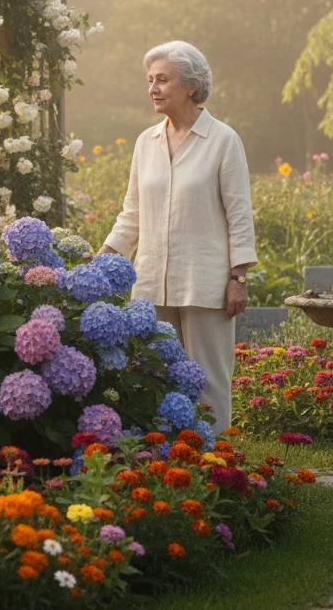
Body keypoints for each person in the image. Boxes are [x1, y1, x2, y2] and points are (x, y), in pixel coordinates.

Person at [99, 40, 257, 431]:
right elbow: (132, 214)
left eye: (163, 80)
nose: (153, 88)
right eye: (150, 80)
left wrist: (238, 278)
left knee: (208, 381)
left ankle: (216, 461)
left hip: (206, 283)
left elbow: (240, 215)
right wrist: (100, 259)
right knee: (155, 375)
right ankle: (164, 461)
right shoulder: (145, 142)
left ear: (190, 85)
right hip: (151, 283)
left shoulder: (223, 140)